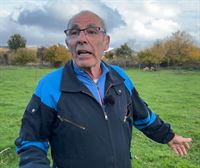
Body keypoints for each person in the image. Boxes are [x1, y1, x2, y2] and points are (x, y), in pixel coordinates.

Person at [15, 10, 192, 168]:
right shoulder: (50, 85)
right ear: (68, 42)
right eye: (74, 32)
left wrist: (168, 136)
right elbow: (31, 143)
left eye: (92, 31)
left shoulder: (120, 78)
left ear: (106, 43)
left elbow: (143, 116)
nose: (81, 39)